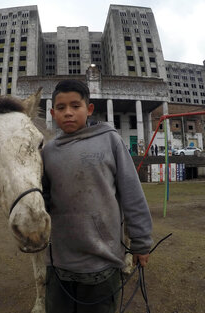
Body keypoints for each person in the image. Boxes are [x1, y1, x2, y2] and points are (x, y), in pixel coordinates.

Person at [42, 79, 153, 313]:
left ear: (89, 109)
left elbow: (132, 193)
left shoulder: (110, 140)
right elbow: (42, 200)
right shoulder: (47, 151)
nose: (68, 113)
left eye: (75, 106)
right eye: (61, 108)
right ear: (52, 113)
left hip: (103, 262)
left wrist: (141, 243)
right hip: (59, 262)